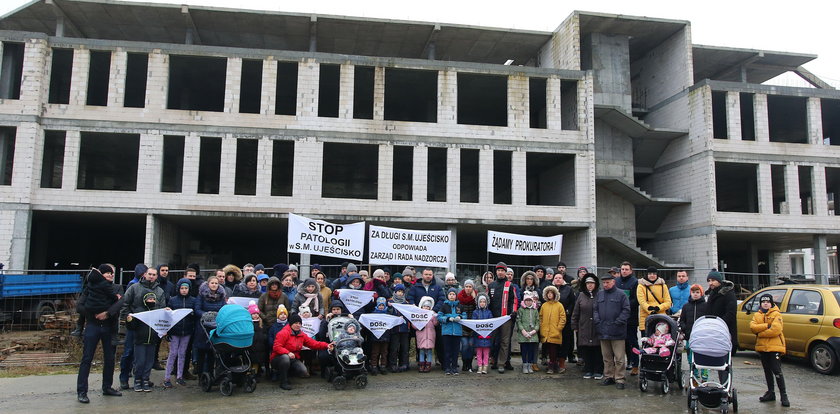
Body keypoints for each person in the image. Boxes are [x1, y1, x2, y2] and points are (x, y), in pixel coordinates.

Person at [76, 266, 123, 403]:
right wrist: (94, 315)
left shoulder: (117, 288)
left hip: (109, 327)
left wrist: (107, 313)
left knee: (109, 358)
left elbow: (121, 302)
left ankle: (107, 387)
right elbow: (80, 306)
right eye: (108, 273)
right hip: (93, 325)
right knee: (87, 358)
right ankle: (82, 391)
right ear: (101, 275)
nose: (111, 275)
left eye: (112, 273)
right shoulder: (90, 287)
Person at [122, 265, 167, 393]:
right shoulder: (134, 288)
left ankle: (146, 380)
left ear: (156, 276)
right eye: (149, 274)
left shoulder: (160, 291)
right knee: (138, 358)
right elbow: (125, 305)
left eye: (154, 275)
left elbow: (162, 309)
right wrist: (128, 319)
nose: (151, 276)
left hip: (152, 332)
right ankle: (137, 380)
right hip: (137, 329)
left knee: (149, 360)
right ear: (145, 274)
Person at [270, 313, 333, 390]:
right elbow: (276, 347)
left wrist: (326, 345)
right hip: (278, 358)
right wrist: (287, 352)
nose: (298, 325)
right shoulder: (283, 333)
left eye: (300, 323)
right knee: (285, 358)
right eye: (296, 323)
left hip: (293, 358)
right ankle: (283, 381)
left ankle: (287, 374)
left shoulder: (301, 335)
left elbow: (313, 343)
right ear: (291, 324)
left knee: (303, 371)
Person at [750, 293, 790, 407]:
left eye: (768, 302)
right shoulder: (757, 315)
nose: (765, 303)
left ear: (771, 303)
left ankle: (783, 394)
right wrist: (767, 325)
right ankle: (771, 392)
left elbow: (776, 330)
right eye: (763, 302)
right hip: (762, 347)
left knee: (777, 370)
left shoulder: (777, 314)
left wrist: (760, 332)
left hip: (775, 347)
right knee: (767, 370)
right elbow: (752, 327)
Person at [594, 272, 630, 389]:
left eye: (607, 282)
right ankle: (608, 376)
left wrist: (618, 322)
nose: (605, 285)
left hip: (617, 331)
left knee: (619, 358)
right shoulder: (599, 295)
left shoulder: (621, 295)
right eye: (603, 283)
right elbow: (595, 309)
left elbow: (626, 310)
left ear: (613, 282)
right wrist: (597, 321)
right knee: (607, 357)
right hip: (603, 330)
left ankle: (620, 379)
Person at [118, 263, 150, 389]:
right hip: (134, 323)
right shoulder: (133, 285)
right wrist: (126, 318)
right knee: (129, 351)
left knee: (143, 353)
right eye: (145, 274)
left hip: (145, 324)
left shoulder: (150, 286)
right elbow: (125, 304)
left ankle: (141, 377)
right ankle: (124, 377)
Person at [163, 278, 195, 388]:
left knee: (183, 353)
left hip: (187, 331)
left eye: (186, 288)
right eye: (182, 288)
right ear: (178, 289)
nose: (184, 290)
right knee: (173, 354)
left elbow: (195, 315)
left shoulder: (193, 301)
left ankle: (179, 376)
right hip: (175, 331)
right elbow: (168, 316)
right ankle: (167, 377)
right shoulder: (173, 300)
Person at [572, 273, 603, 380]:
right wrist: (574, 325)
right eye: (588, 283)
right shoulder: (581, 295)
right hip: (584, 326)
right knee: (586, 349)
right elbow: (576, 312)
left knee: (597, 349)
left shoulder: (600, 294)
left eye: (592, 283)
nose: (590, 285)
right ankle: (588, 369)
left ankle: (598, 370)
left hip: (597, 327)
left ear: (595, 284)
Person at [193, 275, 226, 376]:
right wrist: (206, 315)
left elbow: (224, 308)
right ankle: (200, 374)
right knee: (202, 351)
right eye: (212, 283)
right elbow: (197, 309)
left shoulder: (221, 296)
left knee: (213, 351)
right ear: (208, 284)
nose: (214, 285)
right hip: (203, 326)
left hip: (216, 326)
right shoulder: (201, 295)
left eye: (216, 283)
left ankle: (211, 374)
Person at [488, 262, 518, 373]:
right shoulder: (491, 285)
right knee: (492, 340)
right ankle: (493, 360)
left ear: (505, 272)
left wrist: (513, 312)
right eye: (498, 270)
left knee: (505, 342)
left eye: (502, 270)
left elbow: (514, 300)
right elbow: (488, 301)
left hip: (506, 318)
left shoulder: (510, 285)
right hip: (494, 318)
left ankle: (502, 363)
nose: (500, 272)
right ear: (496, 271)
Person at [679, 284, 708, 382]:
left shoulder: (706, 306)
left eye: (697, 292)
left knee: (704, 357)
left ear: (701, 293)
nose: (695, 294)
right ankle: (694, 377)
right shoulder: (686, 306)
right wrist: (685, 328)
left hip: (703, 337)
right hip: (690, 336)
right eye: (693, 292)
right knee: (691, 358)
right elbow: (682, 320)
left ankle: (704, 378)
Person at [614, 261, 639, 375]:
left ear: (631, 271)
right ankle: (620, 364)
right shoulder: (617, 281)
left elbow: (636, 299)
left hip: (631, 318)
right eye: (622, 269)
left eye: (626, 269)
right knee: (619, 342)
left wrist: (624, 305)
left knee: (632, 341)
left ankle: (635, 364)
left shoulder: (635, 282)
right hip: (617, 317)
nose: (624, 271)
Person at [706, 270, 739, 353]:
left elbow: (730, 314)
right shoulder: (712, 293)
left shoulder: (728, 294)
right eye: (709, 281)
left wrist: (718, 323)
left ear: (719, 281)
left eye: (713, 280)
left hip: (725, 332)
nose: (710, 283)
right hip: (713, 332)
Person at [551, 271, 575, 373]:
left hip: (566, 320)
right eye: (556, 278)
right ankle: (553, 361)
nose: (558, 279)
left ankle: (562, 362)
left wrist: (567, 312)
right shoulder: (550, 289)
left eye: (560, 278)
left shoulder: (569, 289)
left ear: (563, 279)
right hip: (552, 321)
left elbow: (572, 303)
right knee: (553, 341)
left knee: (565, 341)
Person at [539, 285, 566, 374]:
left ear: (555, 294)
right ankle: (551, 364)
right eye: (548, 293)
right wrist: (542, 327)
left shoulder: (559, 305)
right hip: (545, 331)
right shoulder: (544, 305)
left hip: (555, 332)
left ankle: (553, 364)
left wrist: (559, 328)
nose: (550, 295)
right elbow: (540, 317)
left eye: (551, 293)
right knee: (548, 348)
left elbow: (563, 318)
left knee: (554, 349)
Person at [438, 288, 465, 375]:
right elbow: (439, 317)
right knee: (447, 350)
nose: (452, 296)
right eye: (450, 294)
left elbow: (465, 315)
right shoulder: (444, 306)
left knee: (455, 351)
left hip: (457, 332)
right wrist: (447, 319)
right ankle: (447, 367)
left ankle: (454, 367)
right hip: (447, 332)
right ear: (447, 295)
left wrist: (460, 317)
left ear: (456, 296)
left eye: (453, 294)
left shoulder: (460, 306)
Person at [636, 267, 672, 332]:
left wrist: (658, 308)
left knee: (661, 340)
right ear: (646, 274)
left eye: (654, 273)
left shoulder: (663, 286)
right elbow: (641, 301)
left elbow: (668, 302)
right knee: (646, 340)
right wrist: (650, 309)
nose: (652, 275)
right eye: (650, 273)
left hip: (661, 318)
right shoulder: (641, 286)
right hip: (646, 318)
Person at [515, 291, 540, 374]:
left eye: (530, 300)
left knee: (531, 350)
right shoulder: (521, 310)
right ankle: (524, 364)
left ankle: (530, 364)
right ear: (524, 301)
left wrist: (534, 331)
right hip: (523, 334)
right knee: (524, 349)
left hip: (533, 334)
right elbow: (518, 321)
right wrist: (523, 331)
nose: (528, 302)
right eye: (527, 300)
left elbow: (537, 322)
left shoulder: (535, 310)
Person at [387, 284, 411, 372]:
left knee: (404, 348)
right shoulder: (391, 302)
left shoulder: (406, 303)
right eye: (398, 291)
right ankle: (392, 364)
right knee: (394, 348)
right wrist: (389, 307)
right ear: (395, 292)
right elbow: (388, 315)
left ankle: (404, 364)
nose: (400, 293)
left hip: (405, 329)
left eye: (402, 292)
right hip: (394, 329)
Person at [457, 279, 477, 372]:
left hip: (473, 326)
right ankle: (465, 363)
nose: (468, 288)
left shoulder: (476, 297)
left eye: (470, 287)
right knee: (464, 346)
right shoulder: (459, 297)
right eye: (466, 286)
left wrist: (475, 299)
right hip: (463, 327)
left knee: (471, 345)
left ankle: (470, 364)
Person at [368, 297, 391, 375]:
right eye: (380, 305)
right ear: (377, 305)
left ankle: (383, 366)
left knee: (384, 352)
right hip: (375, 337)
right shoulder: (373, 314)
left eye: (383, 305)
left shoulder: (388, 315)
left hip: (385, 336)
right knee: (375, 352)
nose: (381, 307)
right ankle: (374, 366)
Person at [415, 296, 438, 373]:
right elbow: (414, 324)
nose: (426, 308)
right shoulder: (418, 315)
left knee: (429, 351)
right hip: (421, 335)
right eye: (424, 306)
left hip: (430, 335)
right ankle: (421, 364)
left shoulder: (432, 315)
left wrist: (435, 317)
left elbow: (435, 323)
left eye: (428, 306)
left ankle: (428, 364)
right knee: (421, 351)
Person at [472, 293, 494, 374]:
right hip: (478, 337)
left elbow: (491, 324)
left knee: (486, 353)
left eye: (484, 302)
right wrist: (478, 333)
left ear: (486, 303)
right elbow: (474, 324)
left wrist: (488, 334)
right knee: (478, 353)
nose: (482, 303)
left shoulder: (489, 312)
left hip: (487, 337)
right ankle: (479, 366)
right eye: (480, 301)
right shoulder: (475, 313)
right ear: (478, 302)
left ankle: (485, 366)